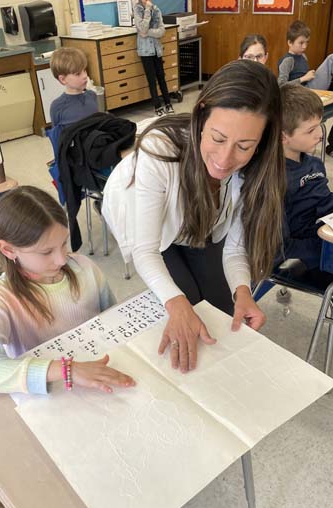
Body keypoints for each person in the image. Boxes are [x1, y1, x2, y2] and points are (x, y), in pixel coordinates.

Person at [103, 60, 285, 373]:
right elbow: (146, 250)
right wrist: (175, 303)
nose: (225, 159)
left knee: (223, 310)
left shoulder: (256, 166)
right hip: (150, 223)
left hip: (202, 222)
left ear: (263, 141)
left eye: (244, 146)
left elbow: (235, 247)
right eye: (217, 138)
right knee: (182, 305)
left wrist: (243, 290)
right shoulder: (159, 152)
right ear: (201, 115)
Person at [0, 185, 135, 395]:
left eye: (64, 243)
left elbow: (114, 318)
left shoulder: (85, 267)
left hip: (101, 375)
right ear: (8, 249)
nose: (62, 258)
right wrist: (67, 369)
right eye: (46, 252)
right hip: (53, 392)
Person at [279, 85, 333, 277]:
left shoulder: (314, 164)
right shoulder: (275, 180)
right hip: (310, 252)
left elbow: (326, 203)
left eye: (320, 124)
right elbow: (282, 247)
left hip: (330, 231)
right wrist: (329, 245)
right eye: (310, 130)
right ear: (284, 137)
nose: (320, 134)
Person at [278, 20, 333, 89]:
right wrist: (303, 78)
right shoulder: (287, 60)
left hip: (308, 86)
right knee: (331, 59)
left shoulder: (303, 56)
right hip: (300, 92)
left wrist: (310, 75)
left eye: (307, 42)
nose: (304, 46)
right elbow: (281, 85)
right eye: (301, 43)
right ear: (290, 42)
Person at [133, 0, 174, 117]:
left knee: (161, 76)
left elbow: (162, 31)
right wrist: (147, 10)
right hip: (145, 51)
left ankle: (168, 103)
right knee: (152, 79)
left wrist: (148, 33)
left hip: (157, 49)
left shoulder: (156, 9)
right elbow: (142, 28)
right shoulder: (137, 9)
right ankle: (157, 106)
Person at [49, 47, 98, 127]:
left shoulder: (92, 95)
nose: (85, 76)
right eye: (78, 74)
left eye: (84, 70)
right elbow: (58, 136)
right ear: (63, 79)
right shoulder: (57, 106)